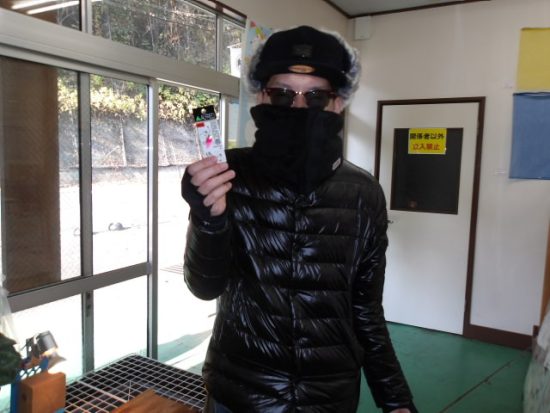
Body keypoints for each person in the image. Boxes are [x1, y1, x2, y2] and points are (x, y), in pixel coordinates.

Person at [182, 25, 417, 413]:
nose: (298, 108)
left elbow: (366, 310)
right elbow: (205, 287)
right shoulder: (228, 178)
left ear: (338, 104)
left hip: (327, 398)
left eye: (316, 96)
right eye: (282, 94)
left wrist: (396, 400)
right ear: (262, 96)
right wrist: (208, 219)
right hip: (241, 392)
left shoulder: (364, 194)